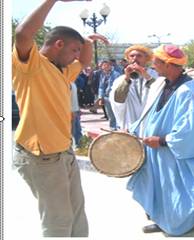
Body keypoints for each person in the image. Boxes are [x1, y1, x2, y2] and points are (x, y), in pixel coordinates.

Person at [12, 0, 108, 237]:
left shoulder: (63, 71)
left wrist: (86, 40)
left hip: (64, 152)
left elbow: (85, 61)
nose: (78, 55)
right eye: (74, 49)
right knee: (58, 220)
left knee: (76, 213)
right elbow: (23, 34)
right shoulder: (31, 66)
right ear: (58, 44)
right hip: (41, 157)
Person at [127, 45, 194, 236]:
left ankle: (184, 223)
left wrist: (162, 140)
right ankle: (163, 220)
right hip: (160, 151)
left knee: (178, 189)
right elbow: (151, 112)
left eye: (157, 62)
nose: (154, 65)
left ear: (169, 65)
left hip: (174, 151)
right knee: (162, 189)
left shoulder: (188, 91)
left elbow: (192, 130)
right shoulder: (164, 83)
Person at [110, 44, 158, 129]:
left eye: (139, 56)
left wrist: (146, 76)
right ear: (128, 59)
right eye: (132, 56)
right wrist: (127, 79)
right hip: (130, 124)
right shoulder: (120, 80)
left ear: (146, 59)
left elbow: (160, 92)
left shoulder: (155, 75)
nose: (135, 59)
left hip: (151, 124)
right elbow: (118, 100)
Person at [96, 60, 121, 130]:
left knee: (117, 112)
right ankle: (112, 128)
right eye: (103, 66)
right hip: (106, 97)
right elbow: (101, 87)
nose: (104, 67)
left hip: (115, 96)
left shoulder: (116, 74)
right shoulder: (103, 75)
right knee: (109, 113)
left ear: (110, 66)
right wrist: (101, 97)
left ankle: (119, 127)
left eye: (106, 65)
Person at [71, 82, 83, 149]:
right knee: (72, 130)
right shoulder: (64, 83)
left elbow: (74, 98)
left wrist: (77, 108)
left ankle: (79, 144)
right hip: (69, 112)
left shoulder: (72, 83)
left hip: (75, 110)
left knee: (77, 129)